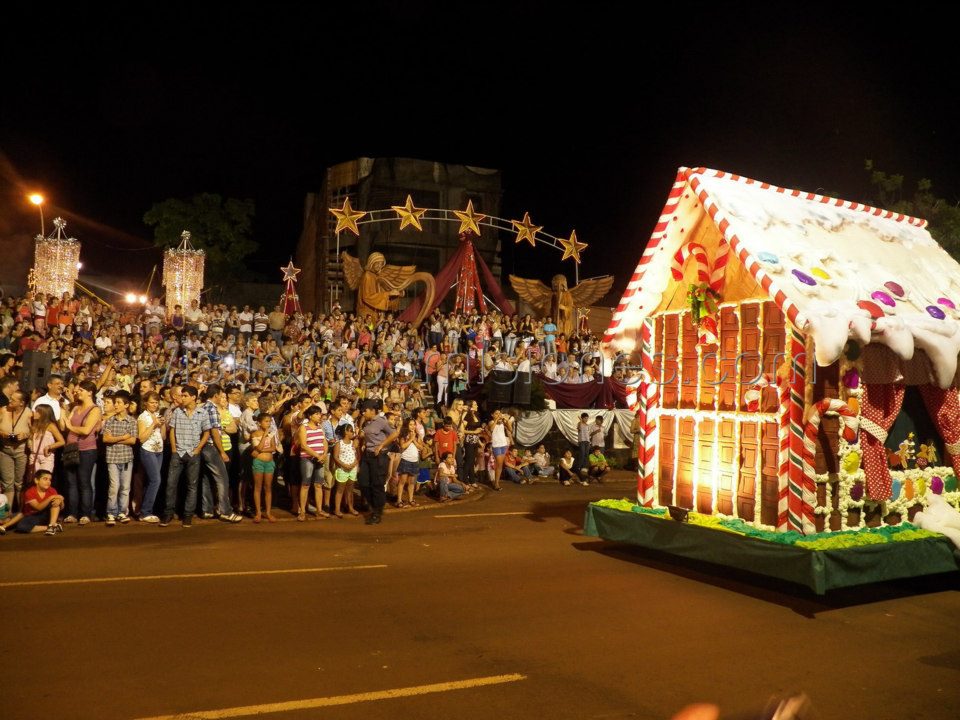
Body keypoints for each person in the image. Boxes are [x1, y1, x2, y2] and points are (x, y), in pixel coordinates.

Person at [161, 385, 207, 528]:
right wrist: (174, 449)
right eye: (182, 395)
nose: (182, 398)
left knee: (191, 486)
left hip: (193, 453)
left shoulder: (202, 413)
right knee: (170, 484)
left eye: (185, 395)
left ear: (193, 397)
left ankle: (187, 515)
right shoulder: (177, 412)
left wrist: (198, 448)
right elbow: (172, 431)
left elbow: (207, 432)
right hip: (179, 452)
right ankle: (168, 513)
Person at [63, 380, 102, 525]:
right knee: (71, 482)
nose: (77, 392)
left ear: (89, 392)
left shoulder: (95, 409)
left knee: (84, 482)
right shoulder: (75, 408)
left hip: (86, 449)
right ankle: (72, 513)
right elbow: (65, 426)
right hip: (71, 448)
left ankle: (85, 514)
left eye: (80, 390)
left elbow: (86, 430)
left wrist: (69, 425)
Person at [357, 400, 399, 525]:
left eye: (365, 410)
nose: (363, 412)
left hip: (379, 456)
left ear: (372, 410)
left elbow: (394, 434)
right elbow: (364, 435)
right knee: (363, 482)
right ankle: (374, 506)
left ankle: (377, 512)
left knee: (377, 484)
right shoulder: (366, 421)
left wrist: (381, 445)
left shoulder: (381, 421)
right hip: (367, 455)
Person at [102, 389, 137, 525]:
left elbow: (133, 441)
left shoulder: (132, 421)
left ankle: (122, 512)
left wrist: (114, 439)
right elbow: (105, 439)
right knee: (114, 486)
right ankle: (111, 513)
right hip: (112, 458)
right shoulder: (110, 421)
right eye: (115, 402)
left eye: (118, 402)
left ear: (126, 405)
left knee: (125, 487)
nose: (115, 405)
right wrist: (123, 437)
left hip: (127, 458)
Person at [0, 469, 63, 535]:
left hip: (47, 515)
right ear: (36, 480)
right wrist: (51, 497)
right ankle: (51, 527)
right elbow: (38, 507)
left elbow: (61, 507)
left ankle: (52, 525)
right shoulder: (30, 492)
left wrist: (60, 501)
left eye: (50, 480)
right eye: (45, 479)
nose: (48, 482)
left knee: (55, 502)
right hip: (33, 516)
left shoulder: (52, 490)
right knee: (21, 526)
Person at [0, 389, 32, 510]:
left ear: (21, 403)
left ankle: (21, 512)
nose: (9, 400)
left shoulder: (29, 414)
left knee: (19, 483)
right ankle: (6, 515)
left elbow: (35, 432)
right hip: (4, 450)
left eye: (13, 399)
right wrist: (1, 433)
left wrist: (26, 435)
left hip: (21, 451)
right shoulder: (3, 410)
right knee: (7, 484)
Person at [298, 405, 330, 521]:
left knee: (318, 485)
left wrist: (324, 454)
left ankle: (319, 510)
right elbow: (303, 445)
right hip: (308, 458)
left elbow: (324, 442)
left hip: (319, 458)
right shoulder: (303, 427)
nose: (319, 416)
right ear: (310, 416)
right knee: (305, 484)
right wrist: (318, 455)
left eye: (319, 413)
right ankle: (302, 511)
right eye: (317, 414)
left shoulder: (320, 427)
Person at [136, 391, 164, 523]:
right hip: (148, 450)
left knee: (151, 481)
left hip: (159, 451)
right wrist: (154, 424)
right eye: (152, 402)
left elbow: (163, 436)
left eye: (156, 402)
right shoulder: (143, 417)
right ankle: (145, 512)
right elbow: (141, 438)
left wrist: (162, 424)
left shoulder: (157, 415)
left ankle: (146, 510)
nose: (154, 404)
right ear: (146, 403)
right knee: (155, 480)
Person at [250, 413, 281, 523]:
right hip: (259, 462)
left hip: (269, 462)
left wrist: (260, 450)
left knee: (268, 487)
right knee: (258, 487)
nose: (268, 424)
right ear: (259, 422)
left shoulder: (271, 434)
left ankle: (268, 512)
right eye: (266, 421)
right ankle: (258, 512)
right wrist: (264, 436)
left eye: (269, 421)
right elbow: (258, 446)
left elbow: (273, 448)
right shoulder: (254, 434)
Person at [331, 424, 359, 517]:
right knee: (340, 490)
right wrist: (344, 465)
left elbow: (357, 456)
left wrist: (353, 464)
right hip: (342, 469)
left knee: (350, 490)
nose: (353, 433)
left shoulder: (353, 443)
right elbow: (335, 457)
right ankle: (337, 509)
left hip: (352, 469)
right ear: (346, 432)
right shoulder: (339, 443)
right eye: (351, 431)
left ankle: (351, 507)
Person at [488, 409, 510, 491]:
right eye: (496, 413)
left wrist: (506, 421)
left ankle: (496, 482)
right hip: (496, 445)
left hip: (503, 445)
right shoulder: (491, 422)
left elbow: (510, 429)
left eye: (499, 413)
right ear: (492, 415)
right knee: (499, 463)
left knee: (500, 465)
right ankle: (496, 483)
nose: (498, 415)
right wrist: (497, 419)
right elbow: (491, 429)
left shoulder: (502, 422)